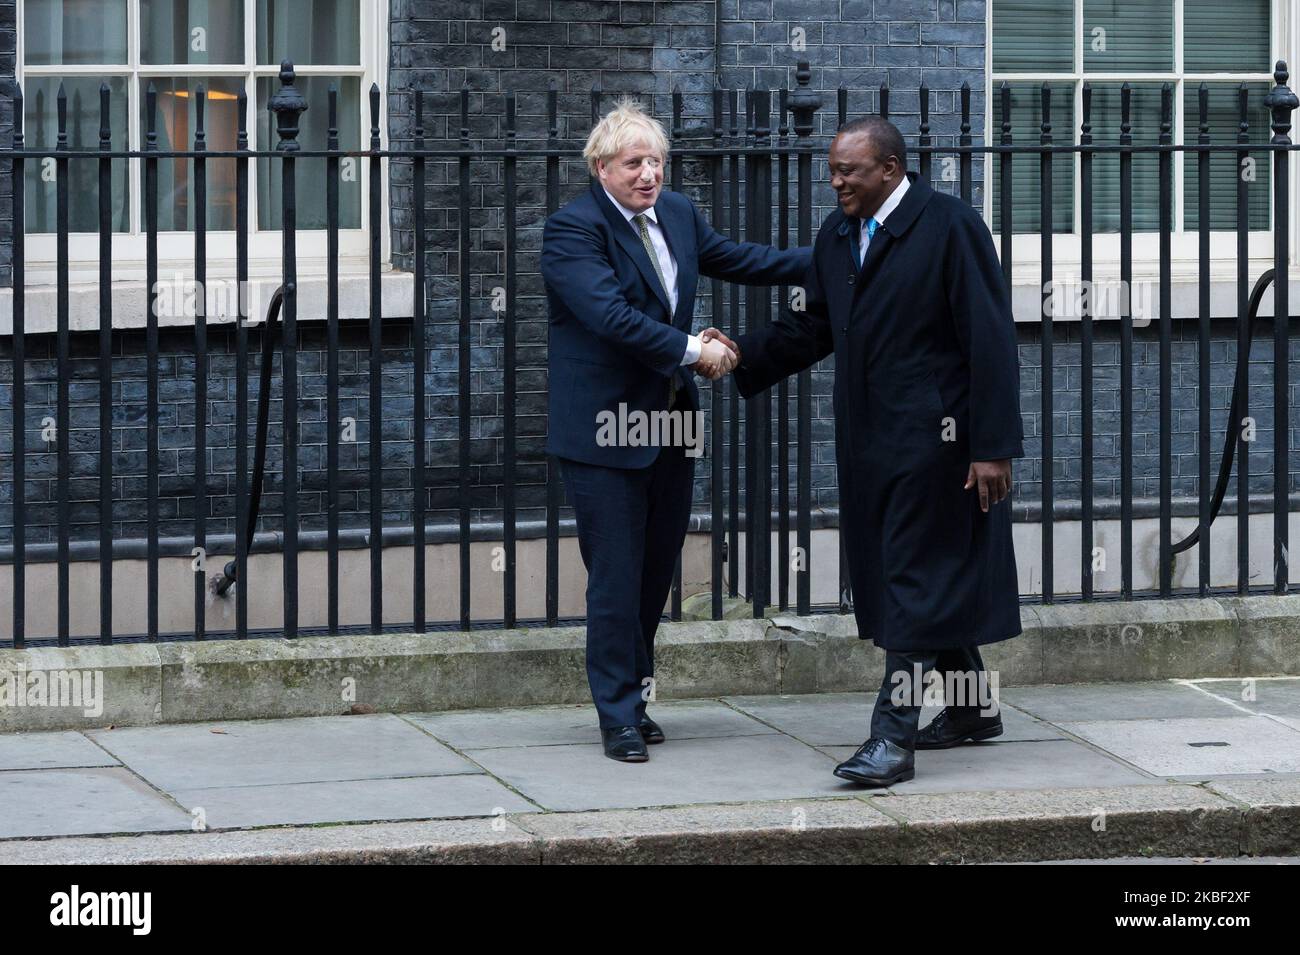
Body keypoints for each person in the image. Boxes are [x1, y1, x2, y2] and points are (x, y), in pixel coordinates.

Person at [732, 116, 1025, 786]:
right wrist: (740, 354)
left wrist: (992, 446)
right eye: (833, 169)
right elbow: (813, 325)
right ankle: (972, 709)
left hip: (940, 444)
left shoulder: (950, 225)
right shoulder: (839, 236)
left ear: (889, 169)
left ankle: (891, 738)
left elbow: (990, 337)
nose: (835, 182)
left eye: (848, 171)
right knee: (915, 571)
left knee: (911, 579)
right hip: (870, 443)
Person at [540, 97, 810, 762]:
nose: (648, 174)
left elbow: (742, 258)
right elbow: (612, 319)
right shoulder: (572, 232)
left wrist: (828, 257)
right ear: (601, 168)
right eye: (634, 162)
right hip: (605, 428)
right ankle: (618, 716)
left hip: (668, 424)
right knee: (615, 574)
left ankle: (634, 694)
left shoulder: (680, 214)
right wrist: (699, 350)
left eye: (656, 161)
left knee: (654, 570)